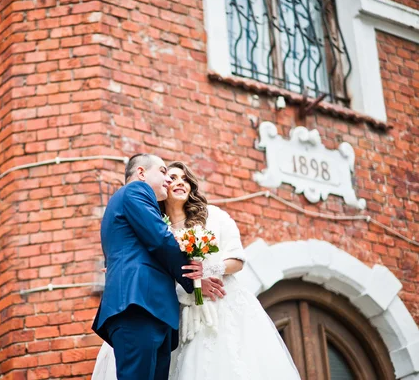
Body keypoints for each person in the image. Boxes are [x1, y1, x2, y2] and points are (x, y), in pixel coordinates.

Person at [92, 161, 301, 380]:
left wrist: (209, 269)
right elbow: (148, 253)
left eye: (184, 179)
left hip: (215, 308)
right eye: (171, 177)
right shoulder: (155, 222)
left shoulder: (214, 216)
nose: (178, 182)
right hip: (168, 311)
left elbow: (237, 259)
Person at [91, 154, 224, 380]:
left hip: (153, 310)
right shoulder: (136, 191)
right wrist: (194, 279)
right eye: (163, 172)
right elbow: (160, 239)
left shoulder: (138, 204)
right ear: (141, 173)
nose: (169, 180)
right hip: (138, 306)